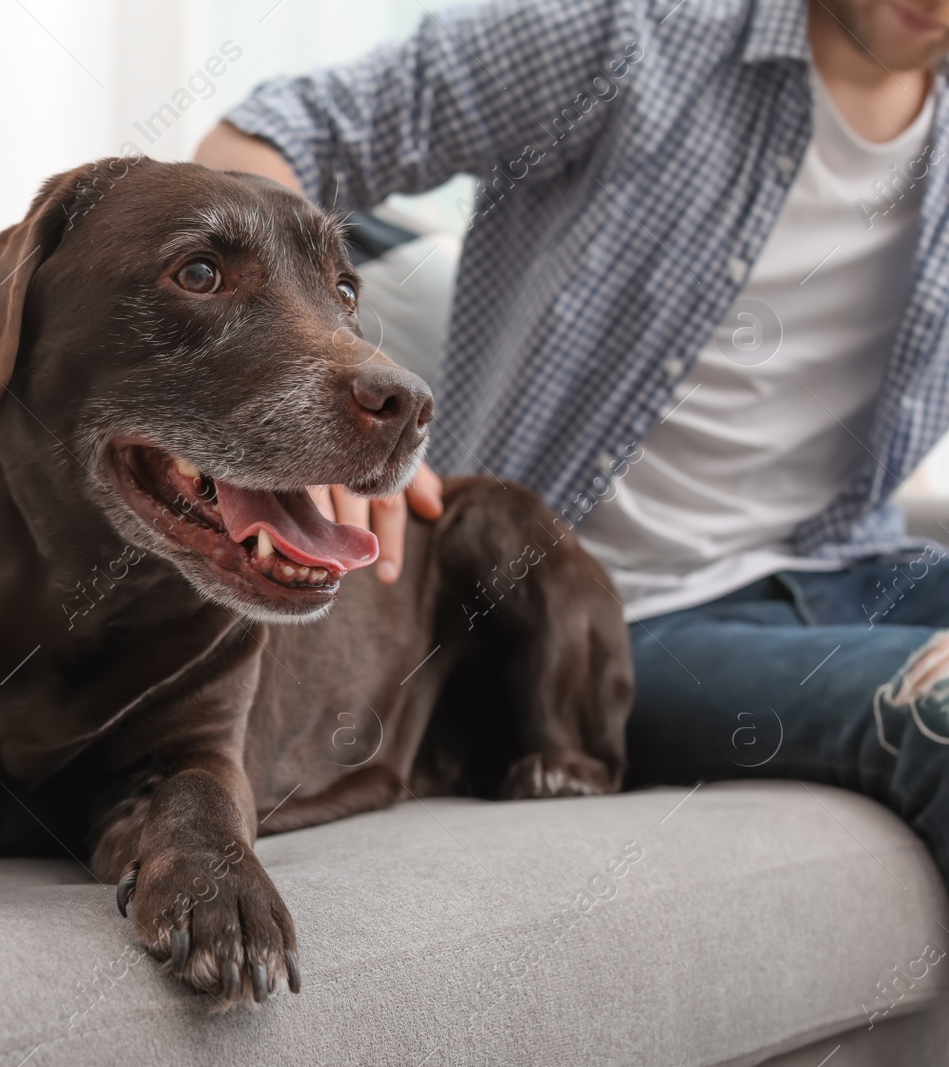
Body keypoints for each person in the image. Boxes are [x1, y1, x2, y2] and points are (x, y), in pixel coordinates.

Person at [194, 0, 949, 877]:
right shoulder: (622, 36)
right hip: (602, 613)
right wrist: (332, 394)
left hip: (847, 569)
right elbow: (252, 141)